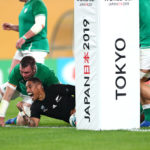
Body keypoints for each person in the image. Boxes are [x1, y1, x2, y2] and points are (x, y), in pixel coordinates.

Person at [0, 0, 49, 98]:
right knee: (13, 79)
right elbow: (27, 27)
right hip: (24, 47)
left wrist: (24, 37)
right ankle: (24, 107)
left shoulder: (37, 3)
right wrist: (13, 27)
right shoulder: (27, 5)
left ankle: (62, 98)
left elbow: (40, 25)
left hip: (35, 46)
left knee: (31, 81)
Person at [0, 56, 59, 127]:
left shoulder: (46, 73)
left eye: (26, 72)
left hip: (32, 96)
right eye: (21, 72)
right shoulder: (16, 70)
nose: (23, 75)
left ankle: (14, 120)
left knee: (21, 122)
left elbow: (58, 89)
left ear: (34, 69)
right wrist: (1, 116)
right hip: (18, 89)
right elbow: (7, 95)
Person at [140, 0, 150, 127]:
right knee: (140, 82)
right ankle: (148, 118)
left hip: (147, 46)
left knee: (134, 84)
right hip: (145, 45)